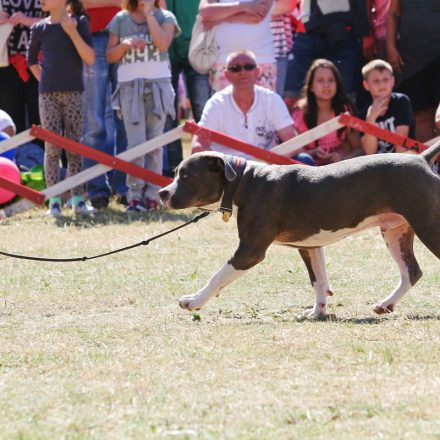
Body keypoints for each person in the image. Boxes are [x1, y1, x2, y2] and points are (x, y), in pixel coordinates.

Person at [107, 0, 179, 212]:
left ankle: (153, 195)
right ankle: (135, 196)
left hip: (158, 85)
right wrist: (125, 45)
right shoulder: (120, 19)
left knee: (155, 144)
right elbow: (110, 55)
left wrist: (149, 14)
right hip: (129, 87)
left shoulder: (165, 17)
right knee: (135, 144)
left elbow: (163, 44)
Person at [27, 0, 95, 216]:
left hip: (74, 93)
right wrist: (45, 82)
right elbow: (31, 61)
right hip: (47, 96)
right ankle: (54, 199)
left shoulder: (80, 22)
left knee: (74, 145)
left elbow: (90, 57)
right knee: (52, 148)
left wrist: (72, 32)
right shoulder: (39, 28)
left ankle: (78, 198)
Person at [192, 49, 297, 158]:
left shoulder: (272, 100)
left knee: (304, 159)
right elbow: (198, 145)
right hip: (226, 170)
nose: (243, 72)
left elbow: (292, 142)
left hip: (266, 168)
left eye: (249, 67)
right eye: (235, 68)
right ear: (226, 74)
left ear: (257, 71)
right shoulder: (216, 103)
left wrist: (271, 164)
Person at [81, 0, 127, 210]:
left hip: (126, 38)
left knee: (127, 118)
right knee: (93, 121)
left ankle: (127, 188)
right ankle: (97, 190)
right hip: (90, 37)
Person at [284, 0, 370, 111]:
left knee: (346, 99)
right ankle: (291, 127)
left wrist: (365, 32)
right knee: (291, 95)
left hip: (343, 32)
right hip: (306, 31)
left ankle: (345, 129)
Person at [162, 0, 211, 177]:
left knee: (204, 111)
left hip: (197, 47)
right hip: (164, 50)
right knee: (167, 114)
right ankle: (175, 171)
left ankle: (207, 167)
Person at [387, 0, 440, 142]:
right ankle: (429, 162)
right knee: (420, 114)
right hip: (412, 60)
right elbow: (392, 13)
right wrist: (391, 47)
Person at [291, 59, 362, 165]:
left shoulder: (345, 110)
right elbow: (291, 154)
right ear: (311, 86)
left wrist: (342, 159)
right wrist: (313, 153)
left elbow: (360, 151)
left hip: (339, 172)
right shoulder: (300, 113)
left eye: (331, 80)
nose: (326, 85)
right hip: (308, 173)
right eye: (320, 80)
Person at [198, 0, 276, 93]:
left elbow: (258, 15)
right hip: (223, 63)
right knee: (223, 107)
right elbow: (206, 12)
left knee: (264, 106)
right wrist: (246, 7)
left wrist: (220, 18)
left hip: (261, 62)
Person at [0, 0, 46, 135]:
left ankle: (42, 155)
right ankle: (10, 156)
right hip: (7, 64)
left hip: (42, 63)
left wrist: (29, 20)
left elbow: (64, 18)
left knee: (41, 120)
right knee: (10, 121)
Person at [360, 59, 415, 155]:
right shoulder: (363, 113)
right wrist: (371, 118)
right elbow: (370, 152)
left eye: (385, 79)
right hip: (378, 164)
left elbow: (401, 146)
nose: (381, 84)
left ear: (392, 81)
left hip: (405, 159)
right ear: (366, 85)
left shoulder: (401, 102)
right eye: (376, 81)